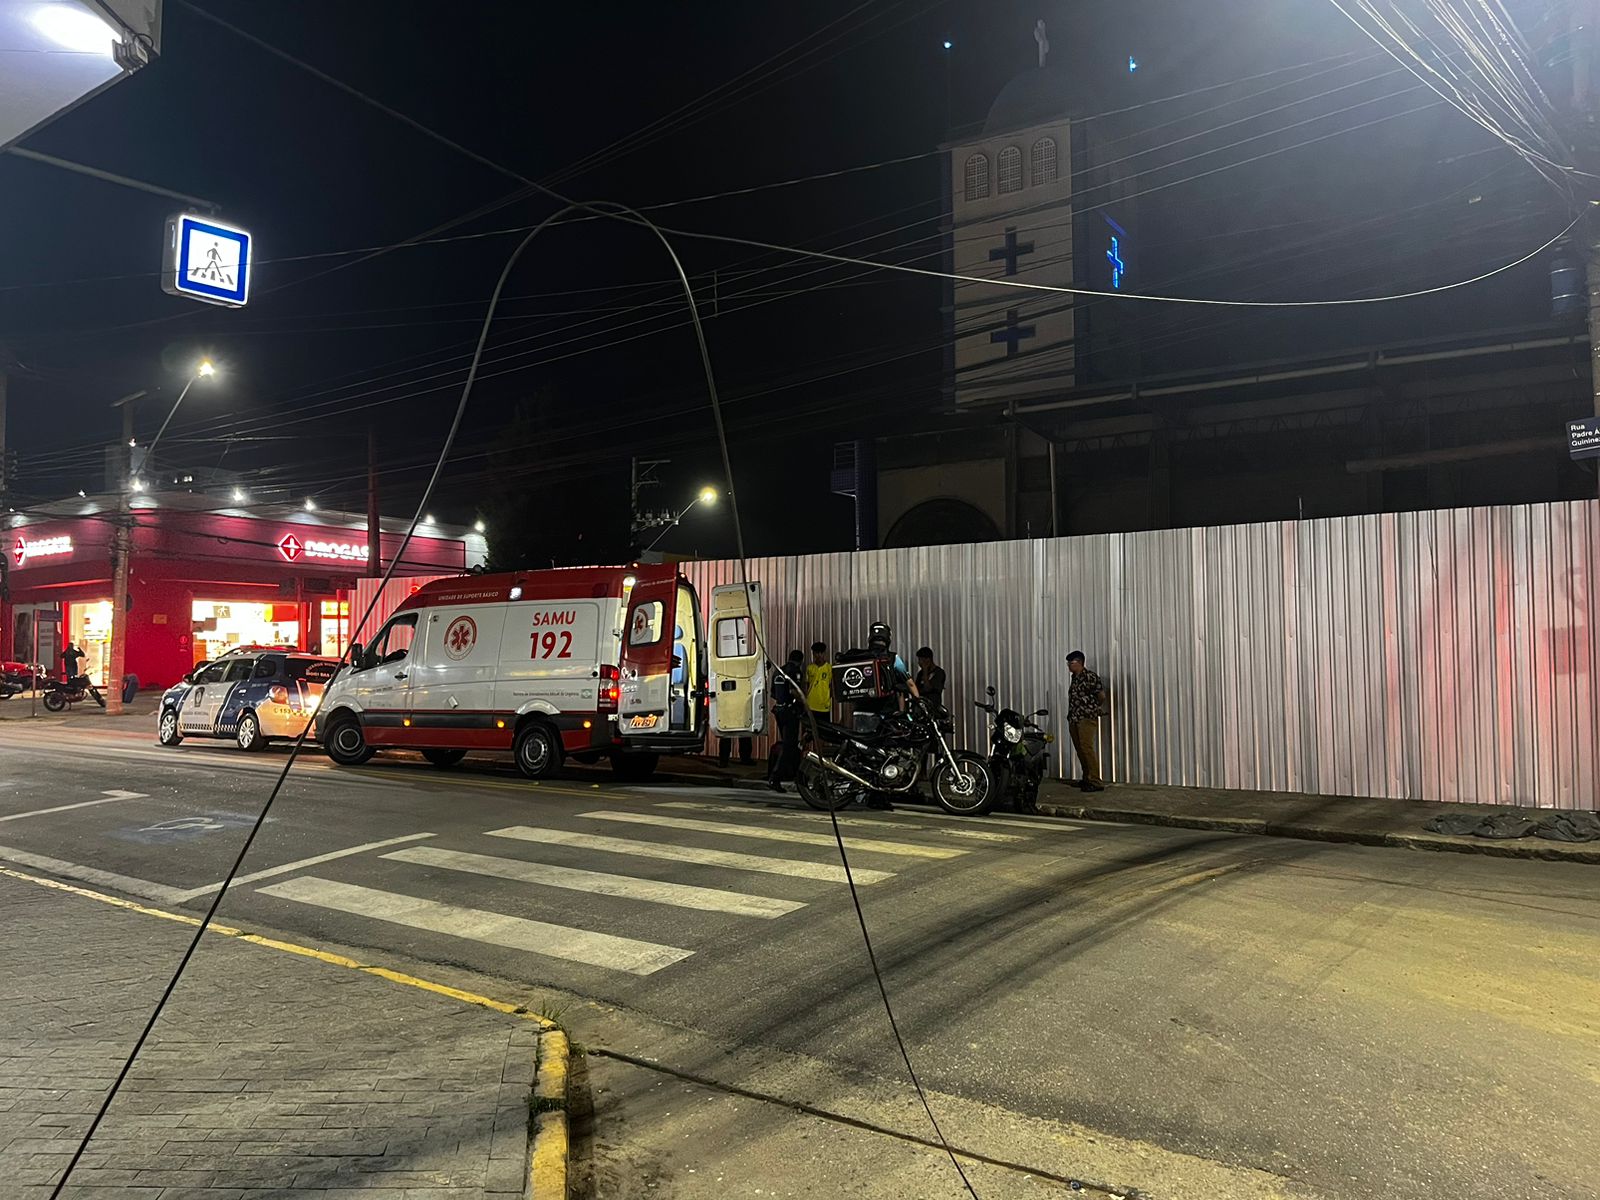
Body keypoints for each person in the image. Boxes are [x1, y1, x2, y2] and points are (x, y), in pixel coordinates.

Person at [1066, 650, 1109, 791]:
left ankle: (1095, 781)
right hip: (1074, 717)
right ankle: (1087, 777)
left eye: (1071, 663)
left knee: (1087, 748)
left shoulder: (1090, 677)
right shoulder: (1074, 678)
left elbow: (1101, 695)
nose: (1069, 666)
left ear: (1079, 663)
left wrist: (1092, 708)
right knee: (1080, 749)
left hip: (1086, 717)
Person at [766, 649, 806, 792]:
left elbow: (773, 692)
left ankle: (797, 776)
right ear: (800, 661)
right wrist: (804, 703)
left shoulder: (778, 671)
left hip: (779, 710)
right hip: (790, 712)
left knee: (791, 745)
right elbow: (794, 691)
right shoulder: (795, 671)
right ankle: (775, 778)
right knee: (789, 746)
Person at [804, 642, 832, 727]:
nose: (818, 655)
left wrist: (827, 700)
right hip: (811, 705)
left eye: (820, 653)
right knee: (810, 731)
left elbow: (832, 687)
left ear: (824, 653)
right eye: (816, 653)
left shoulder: (829, 668)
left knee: (824, 732)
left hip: (824, 706)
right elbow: (807, 686)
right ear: (813, 654)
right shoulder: (809, 668)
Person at [913, 647, 946, 713]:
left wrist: (925, 670)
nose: (919, 663)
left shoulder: (939, 673)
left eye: (921, 660)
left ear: (928, 660)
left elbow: (927, 688)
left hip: (933, 708)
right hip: (921, 708)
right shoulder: (920, 674)